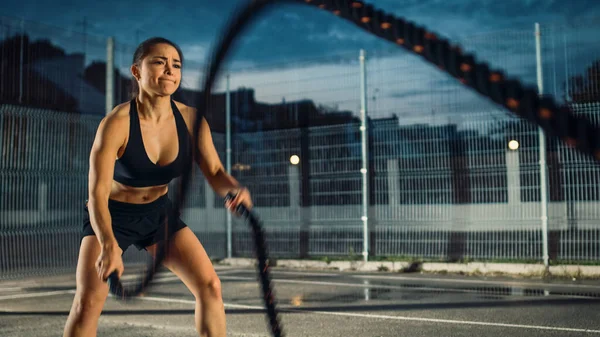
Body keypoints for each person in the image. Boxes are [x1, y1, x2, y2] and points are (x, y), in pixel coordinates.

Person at [63, 37, 251, 337]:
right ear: (137, 72)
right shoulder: (117, 123)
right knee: (87, 303)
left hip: (158, 213)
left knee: (210, 286)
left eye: (176, 64)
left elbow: (215, 171)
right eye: (159, 62)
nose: (169, 70)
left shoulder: (191, 120)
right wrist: (109, 244)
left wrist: (233, 188)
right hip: (112, 216)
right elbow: (96, 196)